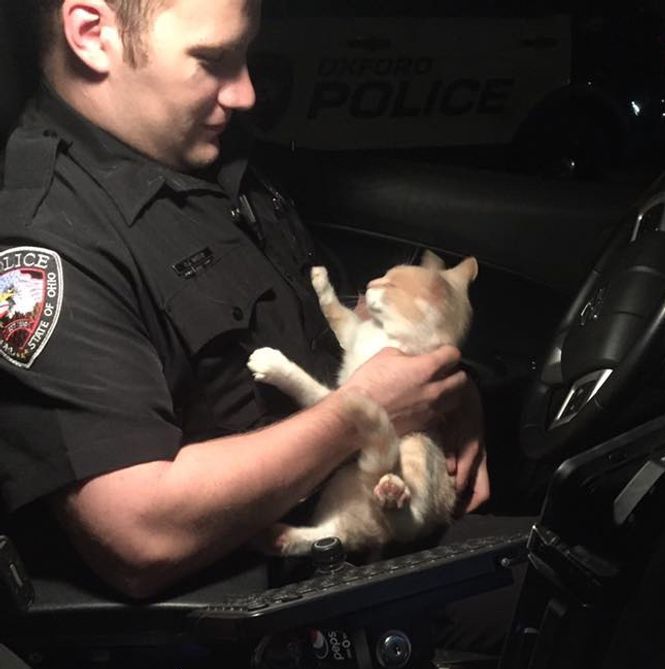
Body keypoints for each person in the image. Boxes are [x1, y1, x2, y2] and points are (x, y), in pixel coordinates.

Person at [0, 0, 504, 602]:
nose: (245, 94)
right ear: (92, 34)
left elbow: (328, 327)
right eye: (213, 60)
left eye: (245, 55)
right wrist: (363, 412)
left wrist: (437, 387)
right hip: (270, 613)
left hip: (371, 513)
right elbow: (137, 534)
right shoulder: (47, 239)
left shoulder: (214, 154)